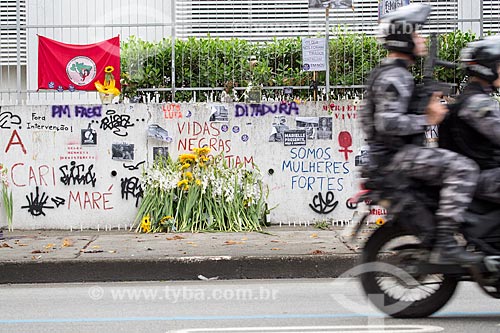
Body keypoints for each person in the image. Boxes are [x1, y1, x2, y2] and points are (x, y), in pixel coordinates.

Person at [360, 3, 483, 265]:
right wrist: (427, 119)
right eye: (416, 34)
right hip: (394, 158)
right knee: (464, 168)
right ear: (404, 40)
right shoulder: (394, 76)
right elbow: (387, 124)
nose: (422, 39)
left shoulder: (395, 73)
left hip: (394, 155)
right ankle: (447, 242)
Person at [439, 36, 500, 204]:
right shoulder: (477, 102)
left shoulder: (475, 97)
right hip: (483, 178)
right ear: (488, 69)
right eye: (499, 65)